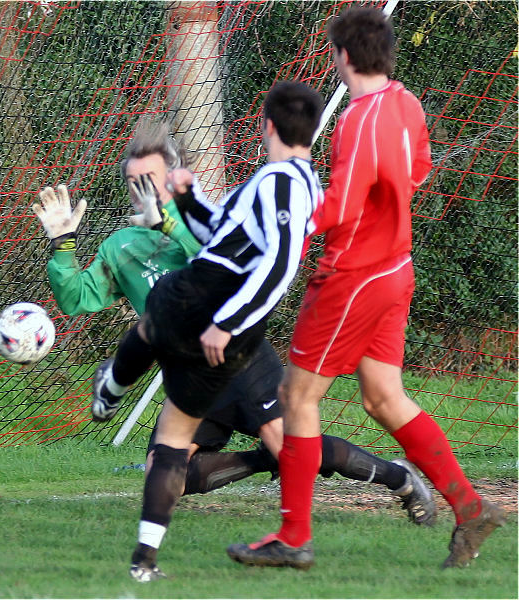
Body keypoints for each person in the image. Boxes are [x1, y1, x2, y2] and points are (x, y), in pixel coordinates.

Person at [33, 112, 434, 582]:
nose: (144, 190)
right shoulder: (123, 246)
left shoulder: (209, 218)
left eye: (153, 181)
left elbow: (224, 261)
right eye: (135, 182)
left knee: (291, 447)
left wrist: (169, 223)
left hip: (241, 360)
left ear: (177, 176)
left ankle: (398, 477)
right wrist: (62, 243)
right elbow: (76, 298)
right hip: (191, 372)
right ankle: (248, 468)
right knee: (167, 473)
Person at [226, 7, 506, 572]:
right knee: (383, 396)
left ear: (344, 56)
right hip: (396, 269)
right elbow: (420, 171)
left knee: (296, 399)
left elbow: (345, 203)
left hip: (354, 275)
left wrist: (289, 226)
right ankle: (469, 506)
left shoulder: (358, 118)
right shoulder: (406, 103)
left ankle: (293, 536)